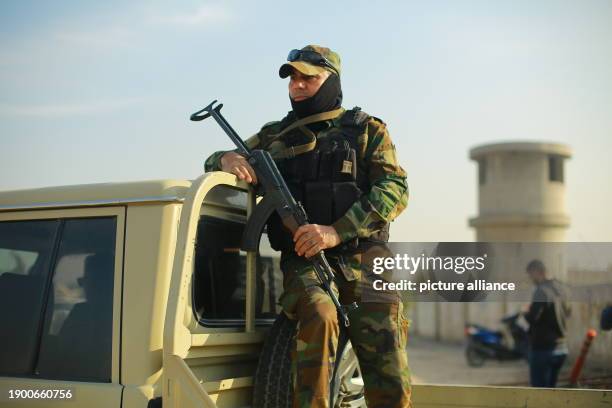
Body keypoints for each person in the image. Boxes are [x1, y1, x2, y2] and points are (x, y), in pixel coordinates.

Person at [204, 45, 411, 408]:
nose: (297, 86)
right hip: (303, 261)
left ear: (331, 79)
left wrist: (335, 231)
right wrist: (225, 157)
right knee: (319, 314)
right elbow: (213, 161)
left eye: (308, 78)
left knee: (386, 340)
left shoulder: (366, 130)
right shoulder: (275, 136)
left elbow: (395, 190)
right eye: (293, 79)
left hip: (364, 259)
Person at [523, 259, 571, 388]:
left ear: (539, 272)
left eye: (531, 275)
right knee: (550, 391)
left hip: (543, 349)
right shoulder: (563, 288)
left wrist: (526, 312)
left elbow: (533, 318)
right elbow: (568, 313)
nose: (531, 279)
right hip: (561, 348)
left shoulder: (541, 290)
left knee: (539, 393)